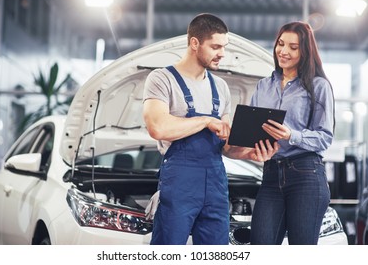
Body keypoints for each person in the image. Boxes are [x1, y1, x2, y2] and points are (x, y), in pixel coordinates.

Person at [142, 13, 279, 245]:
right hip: (179, 182)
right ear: (194, 43)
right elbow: (158, 127)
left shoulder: (221, 87)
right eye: (215, 46)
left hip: (215, 182)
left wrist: (250, 153)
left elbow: (225, 145)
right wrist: (206, 120)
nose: (222, 53)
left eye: (224, 46)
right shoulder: (162, 79)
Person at [249, 21, 335, 245]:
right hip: (270, 174)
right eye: (280, 44)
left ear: (305, 51)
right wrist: (252, 145)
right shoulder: (263, 86)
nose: (283, 51)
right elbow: (254, 131)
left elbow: (325, 137)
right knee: (261, 246)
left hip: (306, 175)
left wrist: (291, 135)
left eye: (293, 47)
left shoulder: (318, 86)